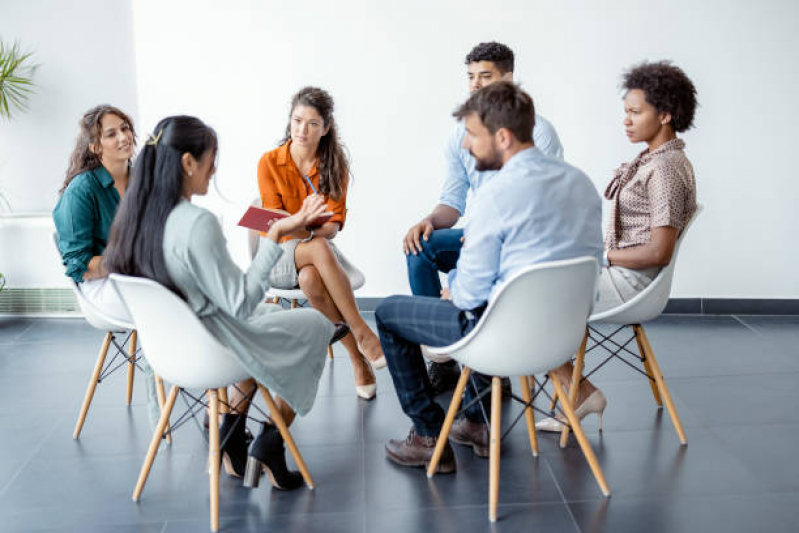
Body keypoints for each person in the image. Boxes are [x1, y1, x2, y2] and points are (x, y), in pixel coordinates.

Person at [105, 115, 339, 491]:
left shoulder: (135, 219)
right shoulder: (196, 223)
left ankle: (230, 440)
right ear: (187, 162)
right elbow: (241, 304)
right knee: (317, 325)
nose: (213, 171)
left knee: (272, 315)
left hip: (169, 350)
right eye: (212, 159)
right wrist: (275, 234)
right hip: (213, 349)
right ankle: (271, 442)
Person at [378, 82, 602, 472]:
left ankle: (429, 436)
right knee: (490, 299)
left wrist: (454, 291)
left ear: (502, 137)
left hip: (500, 337)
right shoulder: (580, 183)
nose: (465, 145)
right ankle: (478, 422)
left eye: (472, 135)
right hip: (560, 335)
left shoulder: (495, 198)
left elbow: (468, 296)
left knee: (391, 314)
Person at [537, 60, 699, 432]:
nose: (626, 120)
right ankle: (574, 390)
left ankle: (579, 393)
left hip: (633, 283)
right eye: (625, 112)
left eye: (635, 112)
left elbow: (659, 252)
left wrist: (601, 255)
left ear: (666, 115)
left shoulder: (666, 169)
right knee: (537, 286)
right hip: (623, 274)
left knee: (525, 301)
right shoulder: (655, 159)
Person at [402, 41, 564, 395]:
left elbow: (543, 212)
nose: (475, 85)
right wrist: (429, 220)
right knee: (420, 246)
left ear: (508, 79)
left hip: (519, 247)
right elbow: (452, 202)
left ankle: (489, 365)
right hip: (473, 236)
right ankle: (443, 355)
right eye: (470, 77)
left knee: (472, 274)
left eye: (484, 76)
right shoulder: (460, 135)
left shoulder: (539, 133)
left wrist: (467, 271)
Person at [257, 86, 384, 401]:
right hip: (277, 254)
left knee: (311, 278)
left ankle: (357, 360)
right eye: (297, 120)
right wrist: (303, 221)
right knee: (316, 248)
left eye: (312, 123)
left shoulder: (334, 163)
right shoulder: (269, 162)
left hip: (316, 250)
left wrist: (304, 223)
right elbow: (272, 225)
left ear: (325, 129)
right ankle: (362, 332)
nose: (302, 129)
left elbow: (332, 226)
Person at [53, 104, 137, 322]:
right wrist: (134, 264)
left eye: (125, 128)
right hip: (102, 285)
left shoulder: (142, 180)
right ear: (95, 147)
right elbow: (79, 265)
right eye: (111, 134)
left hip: (141, 278)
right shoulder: (80, 191)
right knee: (181, 302)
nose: (124, 137)